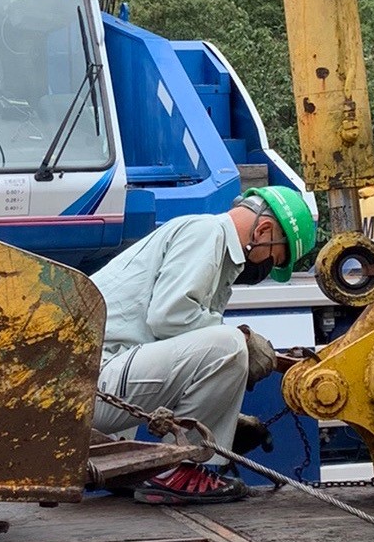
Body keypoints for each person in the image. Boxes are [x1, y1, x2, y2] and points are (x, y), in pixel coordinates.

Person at [90, 185, 316, 504]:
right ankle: (183, 470)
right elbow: (169, 316)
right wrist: (246, 341)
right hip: (97, 386)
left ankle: (146, 468)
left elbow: (174, 353)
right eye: (273, 257)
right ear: (264, 230)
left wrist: (221, 415)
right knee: (229, 344)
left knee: (226, 344)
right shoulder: (206, 233)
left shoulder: (211, 248)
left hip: (99, 384)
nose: (267, 267)